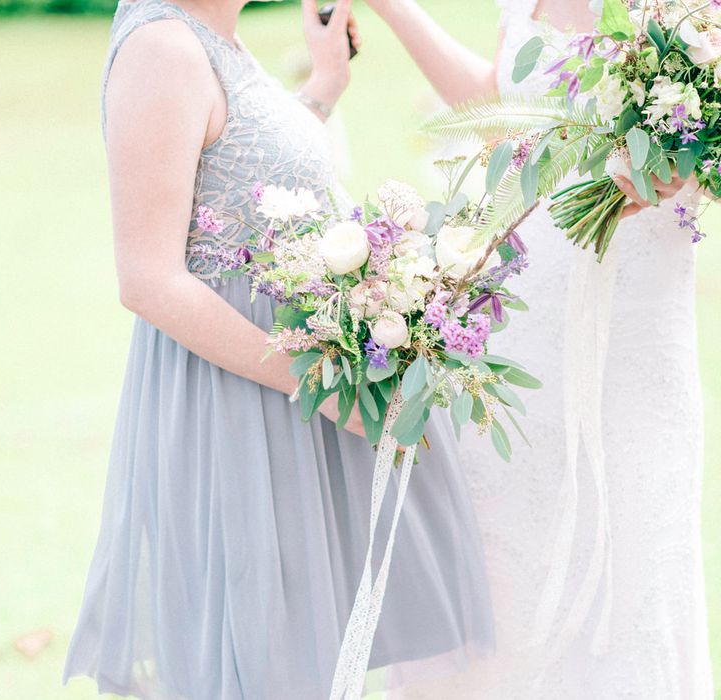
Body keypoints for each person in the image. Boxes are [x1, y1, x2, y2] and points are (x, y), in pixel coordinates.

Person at [62, 0, 496, 697]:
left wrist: (324, 85)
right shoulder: (162, 47)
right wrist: (320, 383)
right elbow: (147, 278)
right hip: (240, 412)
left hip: (284, 400)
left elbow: (249, 177)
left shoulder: (215, 40)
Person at [367, 0, 714, 697]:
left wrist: (689, 158)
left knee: (630, 562)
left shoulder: (691, 11)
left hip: (633, 342)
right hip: (518, 324)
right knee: (507, 564)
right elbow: (504, 112)